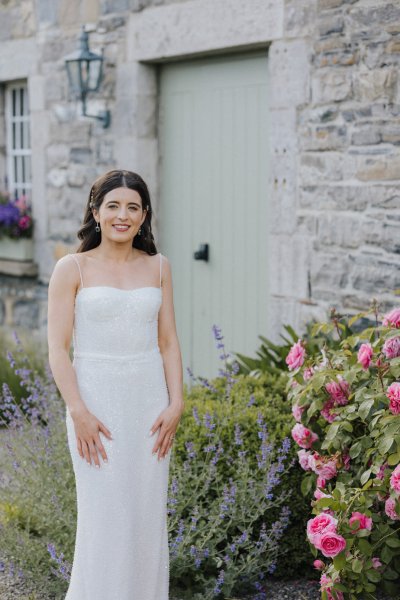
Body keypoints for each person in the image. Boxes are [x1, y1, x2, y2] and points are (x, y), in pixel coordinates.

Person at [47, 169, 185, 600]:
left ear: (144, 216)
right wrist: (79, 411)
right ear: (96, 211)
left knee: (144, 516)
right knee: (104, 517)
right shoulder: (72, 269)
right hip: (94, 407)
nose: (122, 215)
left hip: (148, 407)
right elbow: (57, 349)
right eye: (113, 206)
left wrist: (176, 402)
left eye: (132, 207)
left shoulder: (159, 267)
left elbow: (168, 342)